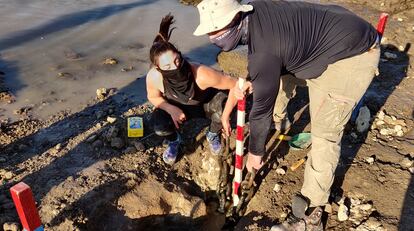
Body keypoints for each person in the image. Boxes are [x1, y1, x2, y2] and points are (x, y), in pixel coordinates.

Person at [193, 0, 380, 230]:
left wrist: (255, 151)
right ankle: (279, 122)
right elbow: (265, 61)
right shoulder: (254, 12)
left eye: (216, 30)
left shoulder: (265, 47)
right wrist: (253, 80)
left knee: (325, 134)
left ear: (235, 19)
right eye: (209, 32)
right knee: (278, 78)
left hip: (352, 54)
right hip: (330, 35)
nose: (213, 37)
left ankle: (312, 211)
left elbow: (261, 105)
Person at [146, 14, 239, 165]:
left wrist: (225, 116)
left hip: (205, 104)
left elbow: (235, 84)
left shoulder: (201, 73)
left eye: (177, 60)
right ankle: (174, 140)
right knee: (159, 125)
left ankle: (212, 134)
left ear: (180, 55)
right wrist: (170, 109)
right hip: (178, 108)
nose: (176, 67)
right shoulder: (154, 77)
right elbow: (153, 97)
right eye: (168, 66)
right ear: (158, 68)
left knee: (222, 107)